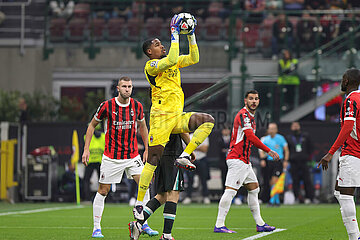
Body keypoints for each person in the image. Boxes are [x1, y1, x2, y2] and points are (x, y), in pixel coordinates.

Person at [133, 14, 215, 220]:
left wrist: (191, 35)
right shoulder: (151, 66)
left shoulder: (173, 62)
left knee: (208, 121)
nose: (162, 46)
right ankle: (139, 203)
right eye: (158, 44)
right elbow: (170, 59)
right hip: (160, 118)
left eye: (163, 43)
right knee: (152, 159)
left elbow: (194, 58)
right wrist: (175, 33)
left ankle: (185, 155)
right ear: (149, 52)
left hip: (176, 116)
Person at [82, 76, 158, 238]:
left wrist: (147, 148)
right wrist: (86, 149)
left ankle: (143, 224)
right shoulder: (106, 106)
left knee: (145, 184)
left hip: (132, 156)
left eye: (129, 86)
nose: (127, 89)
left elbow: (143, 126)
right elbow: (91, 126)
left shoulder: (137, 106)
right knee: (103, 190)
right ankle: (96, 228)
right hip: (111, 157)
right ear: (118, 88)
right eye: (124, 86)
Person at [214, 90, 279, 234]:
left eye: (256, 99)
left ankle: (260, 224)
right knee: (230, 191)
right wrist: (268, 151)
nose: (254, 101)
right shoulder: (243, 114)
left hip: (243, 161)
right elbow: (250, 136)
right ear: (245, 101)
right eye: (251, 99)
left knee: (254, 188)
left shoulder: (251, 117)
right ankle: (219, 224)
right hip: (237, 159)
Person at [318, 69, 360, 240]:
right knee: (339, 192)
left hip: (353, 152)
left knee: (344, 194)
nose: (342, 82)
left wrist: (330, 153)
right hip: (355, 152)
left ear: (347, 80)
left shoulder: (351, 99)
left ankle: (354, 237)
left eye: (343, 79)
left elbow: (348, 127)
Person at [129, 133, 191, 240]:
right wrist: (190, 149)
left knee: (162, 196)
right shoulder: (174, 115)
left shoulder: (156, 115)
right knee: (173, 194)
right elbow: (182, 130)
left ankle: (138, 224)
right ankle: (166, 235)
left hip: (159, 154)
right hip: (173, 154)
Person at [259, 122, 289, 205]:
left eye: (273, 128)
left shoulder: (280, 138)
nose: (271, 130)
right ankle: (276, 200)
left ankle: (273, 200)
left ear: (276, 130)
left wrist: (286, 160)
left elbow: (286, 150)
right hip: (269, 161)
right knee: (270, 181)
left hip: (278, 161)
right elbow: (261, 150)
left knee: (275, 180)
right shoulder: (265, 139)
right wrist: (262, 159)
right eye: (270, 128)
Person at [286, 121, 314, 204]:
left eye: (296, 126)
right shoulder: (289, 137)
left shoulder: (305, 136)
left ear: (299, 127)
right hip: (293, 162)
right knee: (295, 181)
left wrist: (309, 158)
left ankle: (309, 197)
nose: (295, 127)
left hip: (304, 161)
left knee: (307, 180)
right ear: (291, 128)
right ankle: (296, 197)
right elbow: (287, 150)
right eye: (293, 126)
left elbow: (310, 148)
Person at [182, 134, 210, 204]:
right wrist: (198, 147)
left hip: (202, 159)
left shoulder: (204, 135)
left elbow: (205, 149)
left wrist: (192, 147)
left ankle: (206, 196)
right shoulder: (188, 136)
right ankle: (188, 197)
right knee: (190, 179)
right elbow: (185, 148)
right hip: (191, 160)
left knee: (204, 179)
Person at [83, 125, 105, 201]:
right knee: (102, 181)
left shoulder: (87, 137)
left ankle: (88, 198)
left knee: (87, 180)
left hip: (93, 161)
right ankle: (102, 197)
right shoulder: (103, 136)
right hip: (98, 161)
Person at [277, 49, 300, 115]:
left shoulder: (294, 61)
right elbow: (280, 71)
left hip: (292, 82)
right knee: (284, 96)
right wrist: (288, 71)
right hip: (283, 82)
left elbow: (294, 71)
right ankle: (285, 107)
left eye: (288, 53)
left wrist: (286, 72)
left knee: (292, 96)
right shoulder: (281, 61)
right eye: (285, 54)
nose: (287, 55)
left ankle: (292, 107)